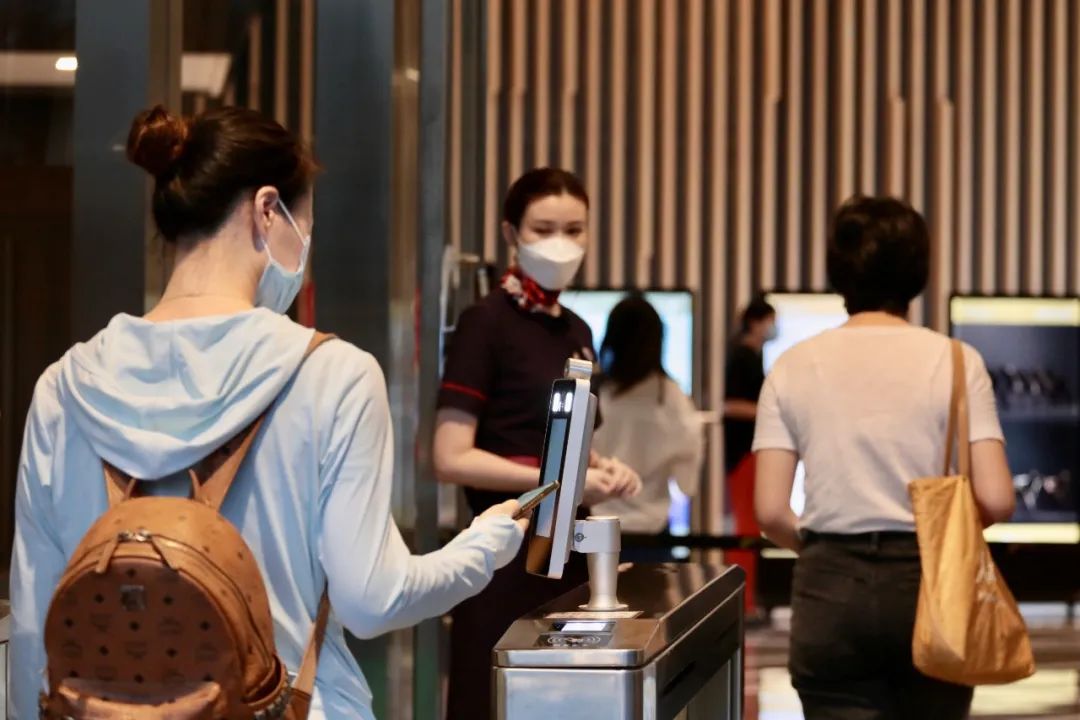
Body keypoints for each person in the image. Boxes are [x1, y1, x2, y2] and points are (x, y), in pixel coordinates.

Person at [9, 105, 527, 719]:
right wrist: (483, 548)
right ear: (266, 210)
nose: (306, 246)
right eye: (305, 225)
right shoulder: (333, 375)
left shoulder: (63, 388)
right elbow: (372, 599)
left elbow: (34, 623)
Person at [753, 196, 1015, 719]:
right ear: (919, 271)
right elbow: (996, 498)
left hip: (829, 585)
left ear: (838, 271)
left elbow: (770, 511)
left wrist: (827, 552)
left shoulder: (791, 365)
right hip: (930, 583)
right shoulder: (958, 361)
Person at [433, 167, 641, 719]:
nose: (560, 243)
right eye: (543, 229)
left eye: (574, 230)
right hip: (503, 555)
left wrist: (603, 469)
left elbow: (570, 446)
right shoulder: (485, 323)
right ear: (511, 233)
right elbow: (450, 456)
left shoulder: (576, 329)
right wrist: (563, 483)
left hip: (570, 564)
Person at [591, 295, 704, 552]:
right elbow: (687, 481)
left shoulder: (595, 392)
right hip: (651, 528)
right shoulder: (670, 396)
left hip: (595, 524)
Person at [723, 295, 777, 616]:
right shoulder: (742, 356)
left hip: (748, 452)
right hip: (743, 452)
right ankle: (742, 602)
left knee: (750, 525)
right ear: (757, 322)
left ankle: (747, 600)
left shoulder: (751, 355)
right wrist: (768, 412)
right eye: (770, 320)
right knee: (746, 528)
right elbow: (729, 404)